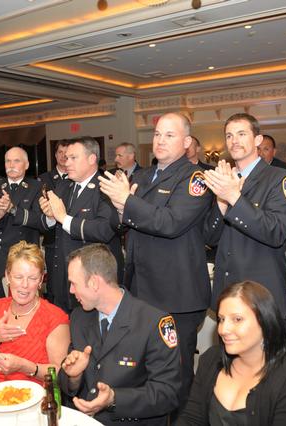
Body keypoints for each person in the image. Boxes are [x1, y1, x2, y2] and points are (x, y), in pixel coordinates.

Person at [98, 112, 212, 410]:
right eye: (158, 134)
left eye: (169, 135)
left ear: (187, 142)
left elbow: (171, 222)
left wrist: (128, 201)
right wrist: (121, 207)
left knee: (175, 374)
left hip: (177, 294)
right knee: (141, 368)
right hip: (140, 289)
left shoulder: (195, 177)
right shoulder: (143, 176)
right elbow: (119, 221)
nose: (160, 140)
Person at [60, 244, 182, 425]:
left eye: (74, 283)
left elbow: (167, 393)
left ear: (94, 283)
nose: (70, 290)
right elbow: (67, 381)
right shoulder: (80, 317)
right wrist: (74, 377)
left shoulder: (154, 322)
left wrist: (114, 399)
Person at [177, 281, 286, 425]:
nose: (223, 329)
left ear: (265, 322)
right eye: (221, 319)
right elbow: (190, 419)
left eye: (237, 319)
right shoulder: (211, 359)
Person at [203, 113, 286, 324]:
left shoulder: (281, 178)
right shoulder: (224, 179)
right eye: (229, 135)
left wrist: (234, 197)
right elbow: (209, 238)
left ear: (257, 140)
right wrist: (221, 203)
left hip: (261, 296)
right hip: (227, 296)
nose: (234, 141)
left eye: (241, 134)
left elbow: (276, 232)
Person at [39, 137, 123, 313]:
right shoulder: (64, 186)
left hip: (92, 279)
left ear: (92, 159)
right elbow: (53, 227)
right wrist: (51, 217)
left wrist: (62, 217)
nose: (66, 162)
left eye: (73, 158)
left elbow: (103, 230)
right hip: (63, 275)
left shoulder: (107, 187)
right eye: (65, 157)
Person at [0, 241, 70, 383]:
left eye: (32, 278)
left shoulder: (55, 317)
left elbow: (62, 376)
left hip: (37, 398)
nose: (25, 285)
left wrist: (24, 366)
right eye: (18, 277)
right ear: (7, 276)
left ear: (41, 280)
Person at [0, 147, 42, 306]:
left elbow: (41, 221)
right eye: (8, 161)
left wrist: (12, 209)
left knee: (22, 309)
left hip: (23, 261)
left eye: (16, 161)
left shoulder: (36, 187)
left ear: (26, 165)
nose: (11, 165)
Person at [37, 140, 70, 303]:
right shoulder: (44, 179)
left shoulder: (75, 177)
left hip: (71, 236)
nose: (64, 156)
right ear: (55, 155)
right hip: (51, 240)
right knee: (54, 286)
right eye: (60, 152)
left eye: (67, 153)